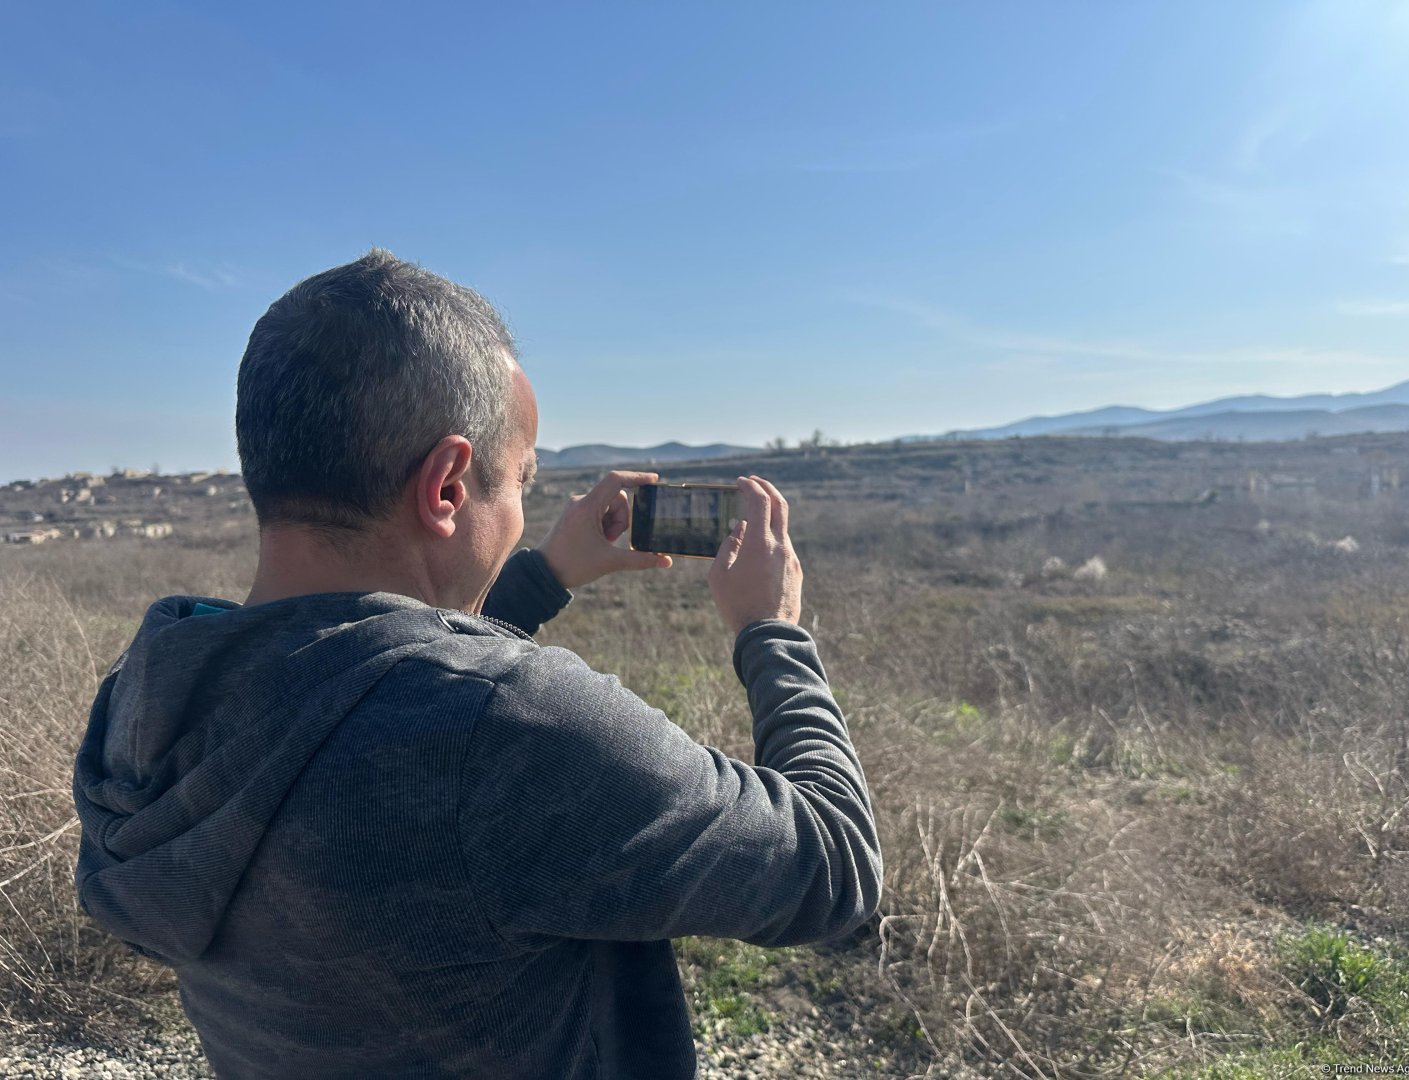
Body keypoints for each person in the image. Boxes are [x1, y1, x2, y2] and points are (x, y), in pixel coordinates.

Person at [71, 249, 883, 1079]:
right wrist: (772, 632)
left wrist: (544, 575)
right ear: (449, 486)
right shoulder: (508, 724)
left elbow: (358, 679)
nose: (522, 506)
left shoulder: (156, 689)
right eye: (519, 480)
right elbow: (833, 865)